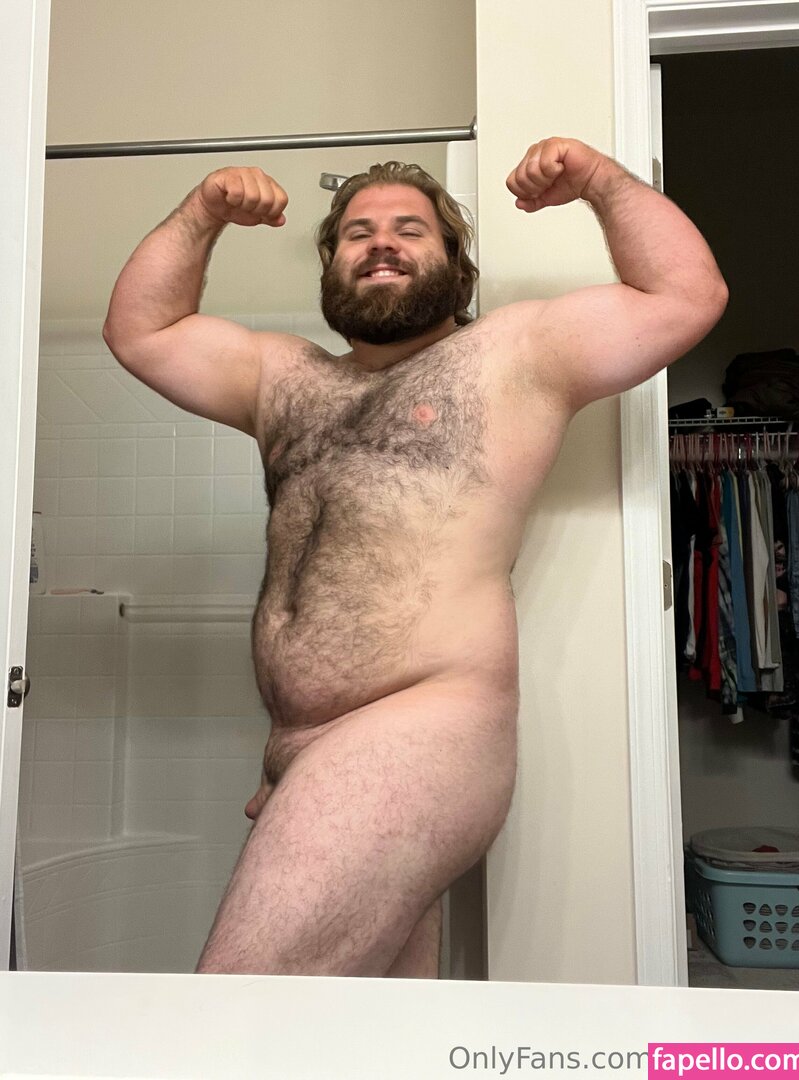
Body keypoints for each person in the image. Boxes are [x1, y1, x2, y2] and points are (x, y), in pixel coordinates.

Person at [103, 136, 727, 978]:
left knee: (241, 1011)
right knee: (370, 1031)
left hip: (421, 724)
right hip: (301, 745)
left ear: (454, 264)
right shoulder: (284, 378)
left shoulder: (513, 357)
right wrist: (204, 211)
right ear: (332, 266)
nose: (381, 244)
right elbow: (141, 331)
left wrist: (596, 179)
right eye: (356, 234)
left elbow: (686, 295)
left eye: (409, 229)